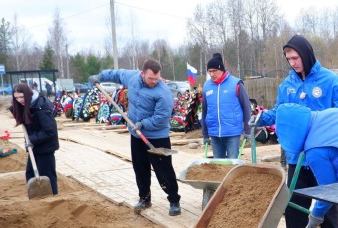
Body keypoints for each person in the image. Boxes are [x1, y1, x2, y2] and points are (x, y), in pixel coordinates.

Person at [258, 35, 338, 228]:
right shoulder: (287, 85)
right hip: (297, 158)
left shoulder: (330, 81)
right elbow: (280, 112)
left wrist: (325, 123)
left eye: (295, 57)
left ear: (307, 54)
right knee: (294, 207)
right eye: (288, 58)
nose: (292, 62)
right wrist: (262, 116)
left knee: (328, 205)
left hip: (323, 156)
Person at [89, 59, 181, 216]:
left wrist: (143, 124)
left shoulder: (163, 92)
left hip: (156, 137)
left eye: (156, 79)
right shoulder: (132, 78)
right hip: (136, 135)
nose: (154, 81)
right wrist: (100, 76)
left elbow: (162, 117)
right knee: (140, 168)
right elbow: (116, 74)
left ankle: (174, 200)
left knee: (164, 171)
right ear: (142, 73)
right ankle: (145, 198)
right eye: (150, 78)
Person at [10, 83, 59, 194]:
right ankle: (36, 200)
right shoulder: (28, 105)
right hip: (35, 146)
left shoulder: (41, 107)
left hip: (45, 147)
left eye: (22, 97)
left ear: (28, 94)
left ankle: (53, 198)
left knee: (47, 175)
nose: (19, 100)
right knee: (30, 174)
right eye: (16, 98)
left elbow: (49, 131)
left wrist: (32, 140)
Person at [201, 53, 252, 159]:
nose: (212, 74)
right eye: (209, 71)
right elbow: (205, 111)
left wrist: (248, 130)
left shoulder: (236, 84)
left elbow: (246, 107)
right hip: (214, 133)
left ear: (222, 69)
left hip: (232, 132)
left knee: (232, 164)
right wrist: (205, 134)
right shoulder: (207, 86)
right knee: (218, 165)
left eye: (214, 71)